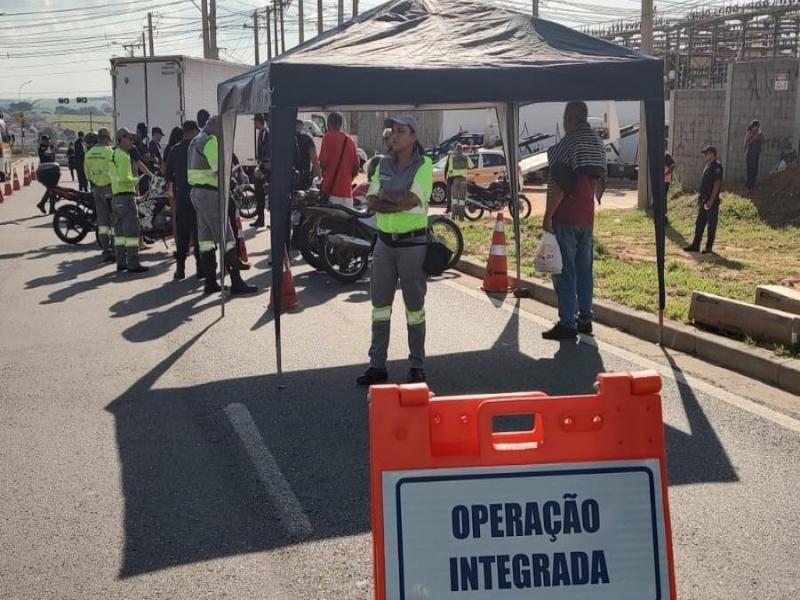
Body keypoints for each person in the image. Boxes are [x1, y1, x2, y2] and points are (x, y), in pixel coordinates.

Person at [357, 114, 432, 386]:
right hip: (385, 244)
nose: (395, 135)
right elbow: (372, 200)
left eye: (402, 131)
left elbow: (413, 199)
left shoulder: (424, 164)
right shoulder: (381, 164)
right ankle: (377, 365)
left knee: (415, 308)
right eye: (393, 130)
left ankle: (417, 366)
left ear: (413, 136)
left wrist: (387, 197)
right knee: (379, 307)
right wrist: (397, 201)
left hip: (413, 246)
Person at [541, 101, 607, 340]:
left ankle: (567, 322)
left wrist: (548, 215)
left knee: (564, 270)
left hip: (565, 216)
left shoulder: (566, 145)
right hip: (587, 216)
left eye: (564, 119)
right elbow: (599, 184)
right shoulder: (598, 144)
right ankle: (586, 319)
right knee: (584, 270)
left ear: (569, 118)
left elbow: (560, 183)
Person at [187, 115, 257, 295]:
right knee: (227, 238)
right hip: (210, 194)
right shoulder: (210, 142)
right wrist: (233, 172)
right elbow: (219, 170)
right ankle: (236, 282)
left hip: (197, 193)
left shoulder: (195, 141)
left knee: (206, 240)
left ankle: (210, 282)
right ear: (216, 128)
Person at [165, 120, 202, 280]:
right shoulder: (197, 148)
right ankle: (201, 270)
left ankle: (180, 270)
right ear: (193, 131)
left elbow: (168, 176)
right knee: (200, 234)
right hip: (197, 195)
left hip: (181, 196)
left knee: (183, 235)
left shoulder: (174, 150)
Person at [109, 128, 148, 273]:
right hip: (126, 197)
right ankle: (133, 263)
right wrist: (138, 179)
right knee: (132, 232)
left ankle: (120, 262)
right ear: (121, 139)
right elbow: (126, 178)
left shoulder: (113, 154)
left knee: (119, 234)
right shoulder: (124, 156)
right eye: (129, 138)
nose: (132, 140)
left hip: (116, 197)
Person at [683, 145, 723, 255]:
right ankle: (696, 245)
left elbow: (717, 183)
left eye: (706, 153)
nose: (705, 155)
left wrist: (711, 200)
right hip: (704, 199)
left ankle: (708, 247)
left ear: (712, 154)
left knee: (711, 224)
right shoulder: (707, 166)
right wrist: (700, 198)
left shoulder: (717, 166)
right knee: (699, 223)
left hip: (711, 200)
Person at [83, 128, 115, 263]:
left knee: (102, 222)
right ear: (107, 138)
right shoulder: (110, 152)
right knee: (113, 221)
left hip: (96, 190)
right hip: (110, 189)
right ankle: (115, 249)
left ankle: (105, 250)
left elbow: (87, 175)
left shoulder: (89, 154)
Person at [318, 111, 359, 208]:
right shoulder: (350, 141)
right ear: (341, 124)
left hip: (331, 192)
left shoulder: (327, 137)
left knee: (329, 223)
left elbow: (323, 163)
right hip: (348, 195)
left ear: (328, 124)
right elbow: (356, 167)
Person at [444, 143, 474, 220]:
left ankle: (454, 217)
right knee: (462, 199)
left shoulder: (452, 158)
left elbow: (450, 169)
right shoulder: (466, 157)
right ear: (462, 150)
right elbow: (471, 166)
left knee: (454, 199)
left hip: (455, 180)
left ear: (456, 150)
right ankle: (461, 218)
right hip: (463, 180)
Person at [252, 113, 270, 228]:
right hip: (261, 167)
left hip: (266, 169)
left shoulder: (266, 133)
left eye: (254, 122)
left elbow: (266, 153)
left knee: (266, 195)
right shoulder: (261, 133)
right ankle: (260, 219)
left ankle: (264, 219)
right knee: (259, 195)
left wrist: (262, 170)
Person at [293, 119, 321, 191]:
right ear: (302, 126)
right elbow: (314, 159)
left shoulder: (288, 137)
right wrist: (319, 176)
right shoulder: (308, 138)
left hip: (289, 176)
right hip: (304, 177)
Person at [36, 136, 57, 214]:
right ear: (43, 141)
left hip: (51, 169)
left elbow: (52, 155)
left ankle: (43, 205)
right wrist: (52, 150)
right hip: (45, 170)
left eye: (49, 140)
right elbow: (47, 155)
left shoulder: (49, 147)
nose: (48, 141)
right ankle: (45, 205)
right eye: (46, 140)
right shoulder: (42, 148)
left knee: (51, 189)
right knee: (52, 189)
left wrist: (53, 148)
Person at [744, 119, 764, 190]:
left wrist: (758, 135)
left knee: (755, 169)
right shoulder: (749, 133)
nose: (755, 128)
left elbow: (762, 140)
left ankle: (753, 183)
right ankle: (749, 184)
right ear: (751, 127)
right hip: (750, 154)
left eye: (757, 126)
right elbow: (746, 143)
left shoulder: (759, 133)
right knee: (750, 169)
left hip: (756, 154)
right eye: (754, 126)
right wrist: (753, 137)